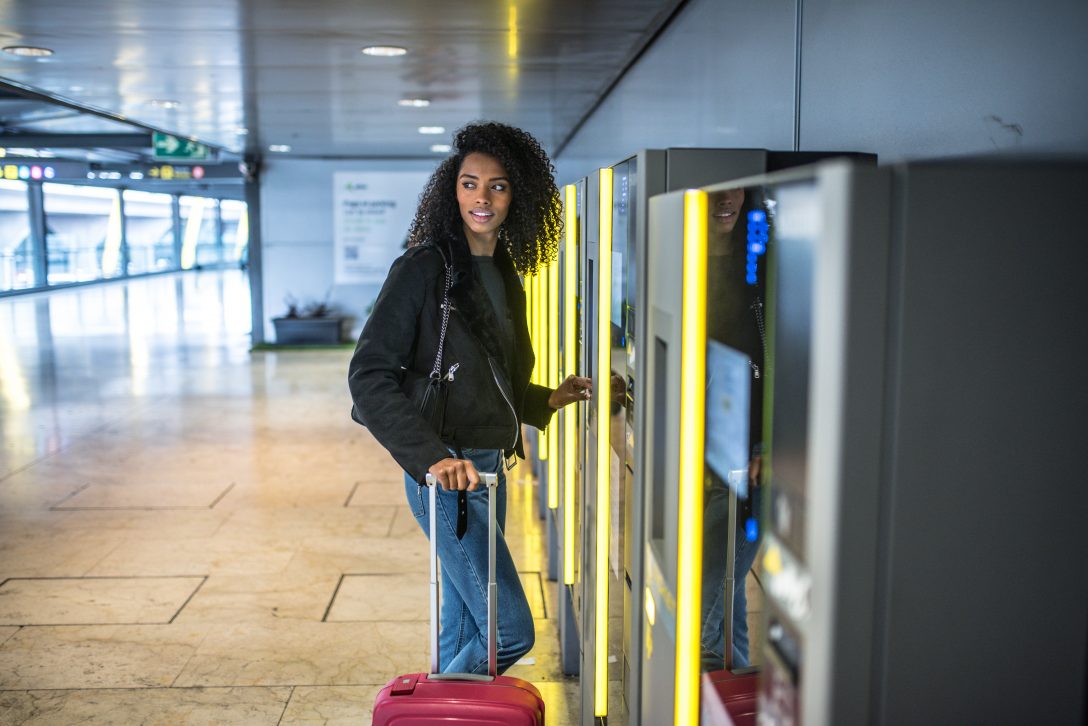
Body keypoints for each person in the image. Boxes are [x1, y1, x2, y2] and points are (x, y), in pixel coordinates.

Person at [348, 121, 592, 676]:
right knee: (509, 631)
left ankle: (447, 709)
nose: (482, 198)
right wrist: (431, 457)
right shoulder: (424, 267)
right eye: (469, 183)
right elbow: (368, 374)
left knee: (462, 627)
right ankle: (439, 711)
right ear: (450, 190)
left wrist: (545, 399)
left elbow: (490, 374)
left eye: (498, 185)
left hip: (489, 472)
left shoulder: (504, 271)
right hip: (446, 477)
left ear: (518, 195)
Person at [700, 186, 766, 671]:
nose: (726, 199)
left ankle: (710, 685)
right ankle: (736, 683)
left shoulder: (767, 263)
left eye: (735, 188)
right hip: (702, 444)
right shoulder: (682, 260)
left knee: (712, 589)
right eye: (714, 189)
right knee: (729, 585)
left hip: (755, 448)